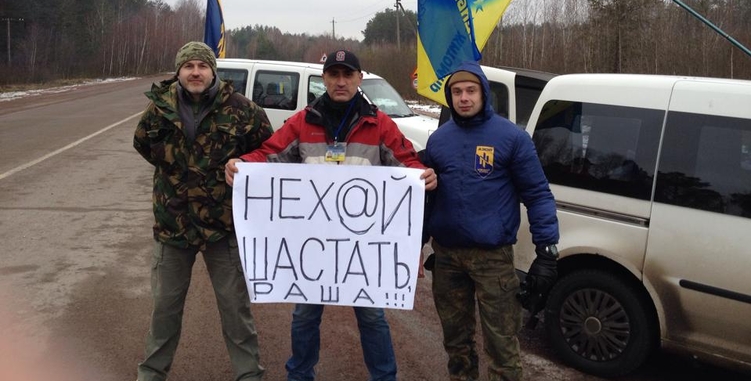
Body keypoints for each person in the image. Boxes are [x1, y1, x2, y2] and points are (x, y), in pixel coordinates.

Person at [225, 49, 437, 381]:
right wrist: (243, 165)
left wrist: (422, 175)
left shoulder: (380, 124)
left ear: (359, 78)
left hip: (363, 250)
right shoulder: (303, 121)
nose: (340, 81)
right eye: (334, 74)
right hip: (313, 247)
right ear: (323, 79)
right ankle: (300, 374)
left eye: (347, 74)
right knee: (304, 317)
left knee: (373, 319)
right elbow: (270, 154)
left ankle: (384, 377)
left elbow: (406, 162)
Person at [133, 41, 273, 381]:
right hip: (173, 226)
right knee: (164, 310)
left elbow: (267, 152)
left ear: (213, 71)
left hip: (222, 227)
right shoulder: (160, 108)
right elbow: (143, 143)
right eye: (189, 66)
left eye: (202, 66)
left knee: (235, 310)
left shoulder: (243, 110)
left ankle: (248, 374)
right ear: (179, 71)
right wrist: (176, 180)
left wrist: (243, 162)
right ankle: (151, 373)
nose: (195, 72)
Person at [422, 61, 559, 381]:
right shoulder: (439, 140)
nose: (464, 97)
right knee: (456, 341)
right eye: (457, 91)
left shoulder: (512, 138)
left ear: (483, 93)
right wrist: (416, 241)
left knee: (502, 344)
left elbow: (538, 194)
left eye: (471, 90)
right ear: (449, 96)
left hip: (493, 259)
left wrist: (547, 250)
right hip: (447, 257)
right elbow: (427, 197)